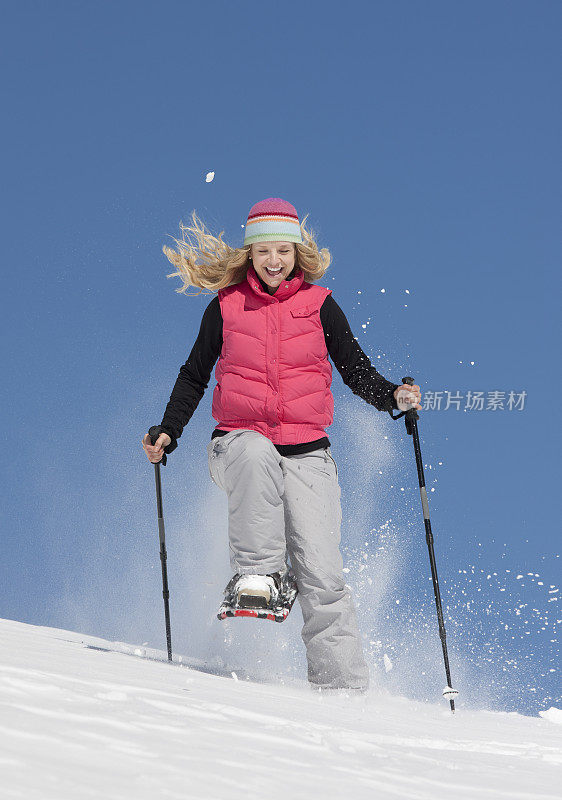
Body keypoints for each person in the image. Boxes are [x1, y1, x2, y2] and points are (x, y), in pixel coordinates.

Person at [142, 197, 421, 692]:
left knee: (322, 573)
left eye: (284, 251)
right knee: (253, 451)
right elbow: (194, 375)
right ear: (249, 253)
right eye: (264, 250)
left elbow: (354, 369)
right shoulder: (226, 307)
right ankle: (259, 576)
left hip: (307, 453)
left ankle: (343, 693)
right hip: (238, 443)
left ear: (297, 252)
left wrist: (392, 397)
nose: (274, 261)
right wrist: (168, 429)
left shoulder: (319, 305)